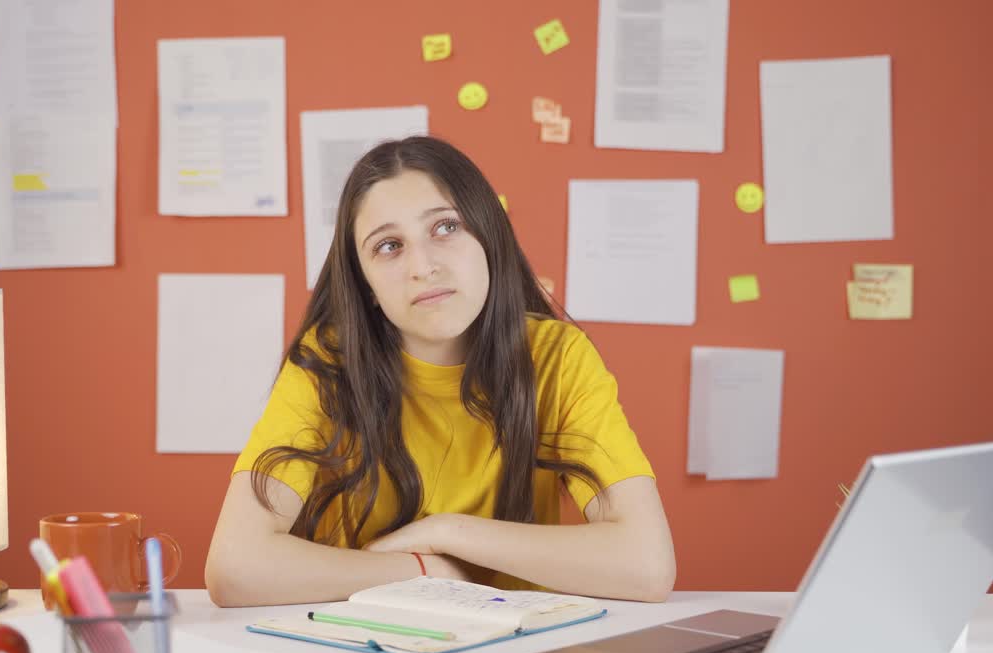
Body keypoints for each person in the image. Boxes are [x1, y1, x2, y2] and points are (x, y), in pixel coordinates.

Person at [205, 136, 675, 607]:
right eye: (389, 246)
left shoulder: (557, 358)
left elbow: (646, 565)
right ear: (365, 283)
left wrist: (448, 532)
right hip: (368, 648)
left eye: (446, 227)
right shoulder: (329, 364)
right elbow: (234, 568)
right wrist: (426, 569)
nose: (423, 266)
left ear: (489, 237)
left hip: (515, 645)